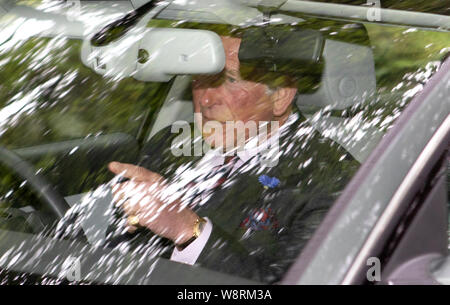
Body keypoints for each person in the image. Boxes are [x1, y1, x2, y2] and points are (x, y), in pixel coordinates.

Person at [107, 35, 359, 284]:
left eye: (228, 80)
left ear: (280, 95)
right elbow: (115, 255)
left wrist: (189, 231)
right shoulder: (169, 146)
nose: (205, 100)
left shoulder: (333, 182)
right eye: (200, 79)